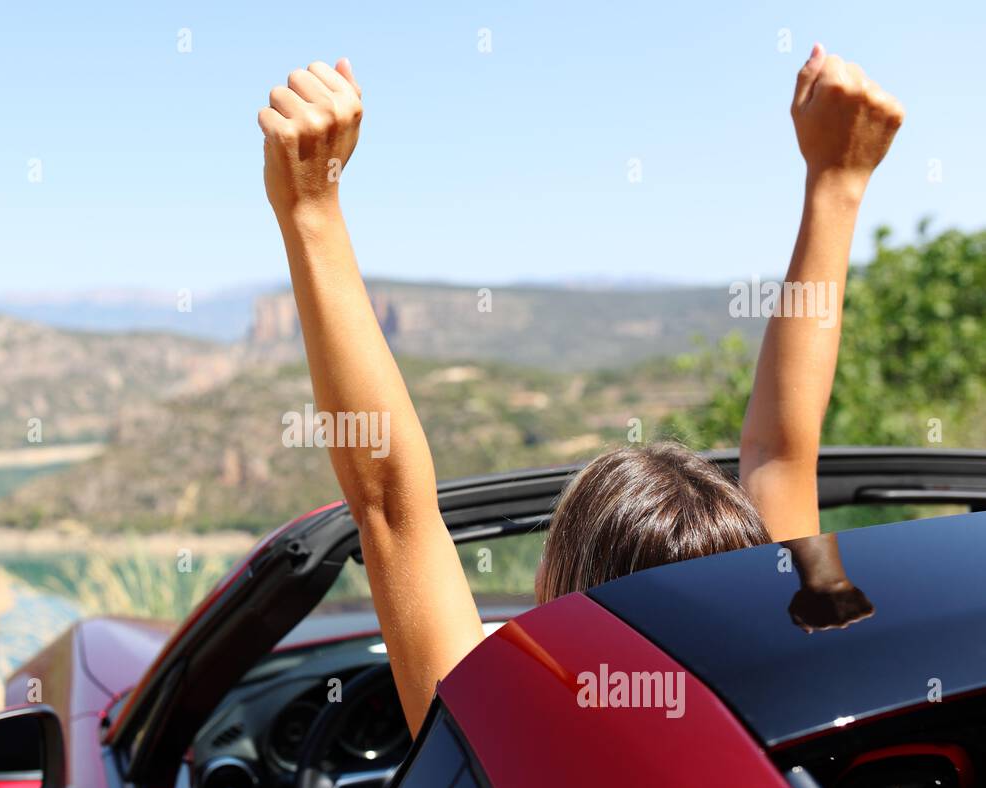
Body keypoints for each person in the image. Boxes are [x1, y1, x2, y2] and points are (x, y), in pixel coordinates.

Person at [257, 46, 903, 735]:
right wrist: (838, 180)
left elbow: (391, 504)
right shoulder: (800, 696)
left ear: (555, 594)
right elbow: (781, 452)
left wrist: (311, 201)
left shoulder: (513, 745)